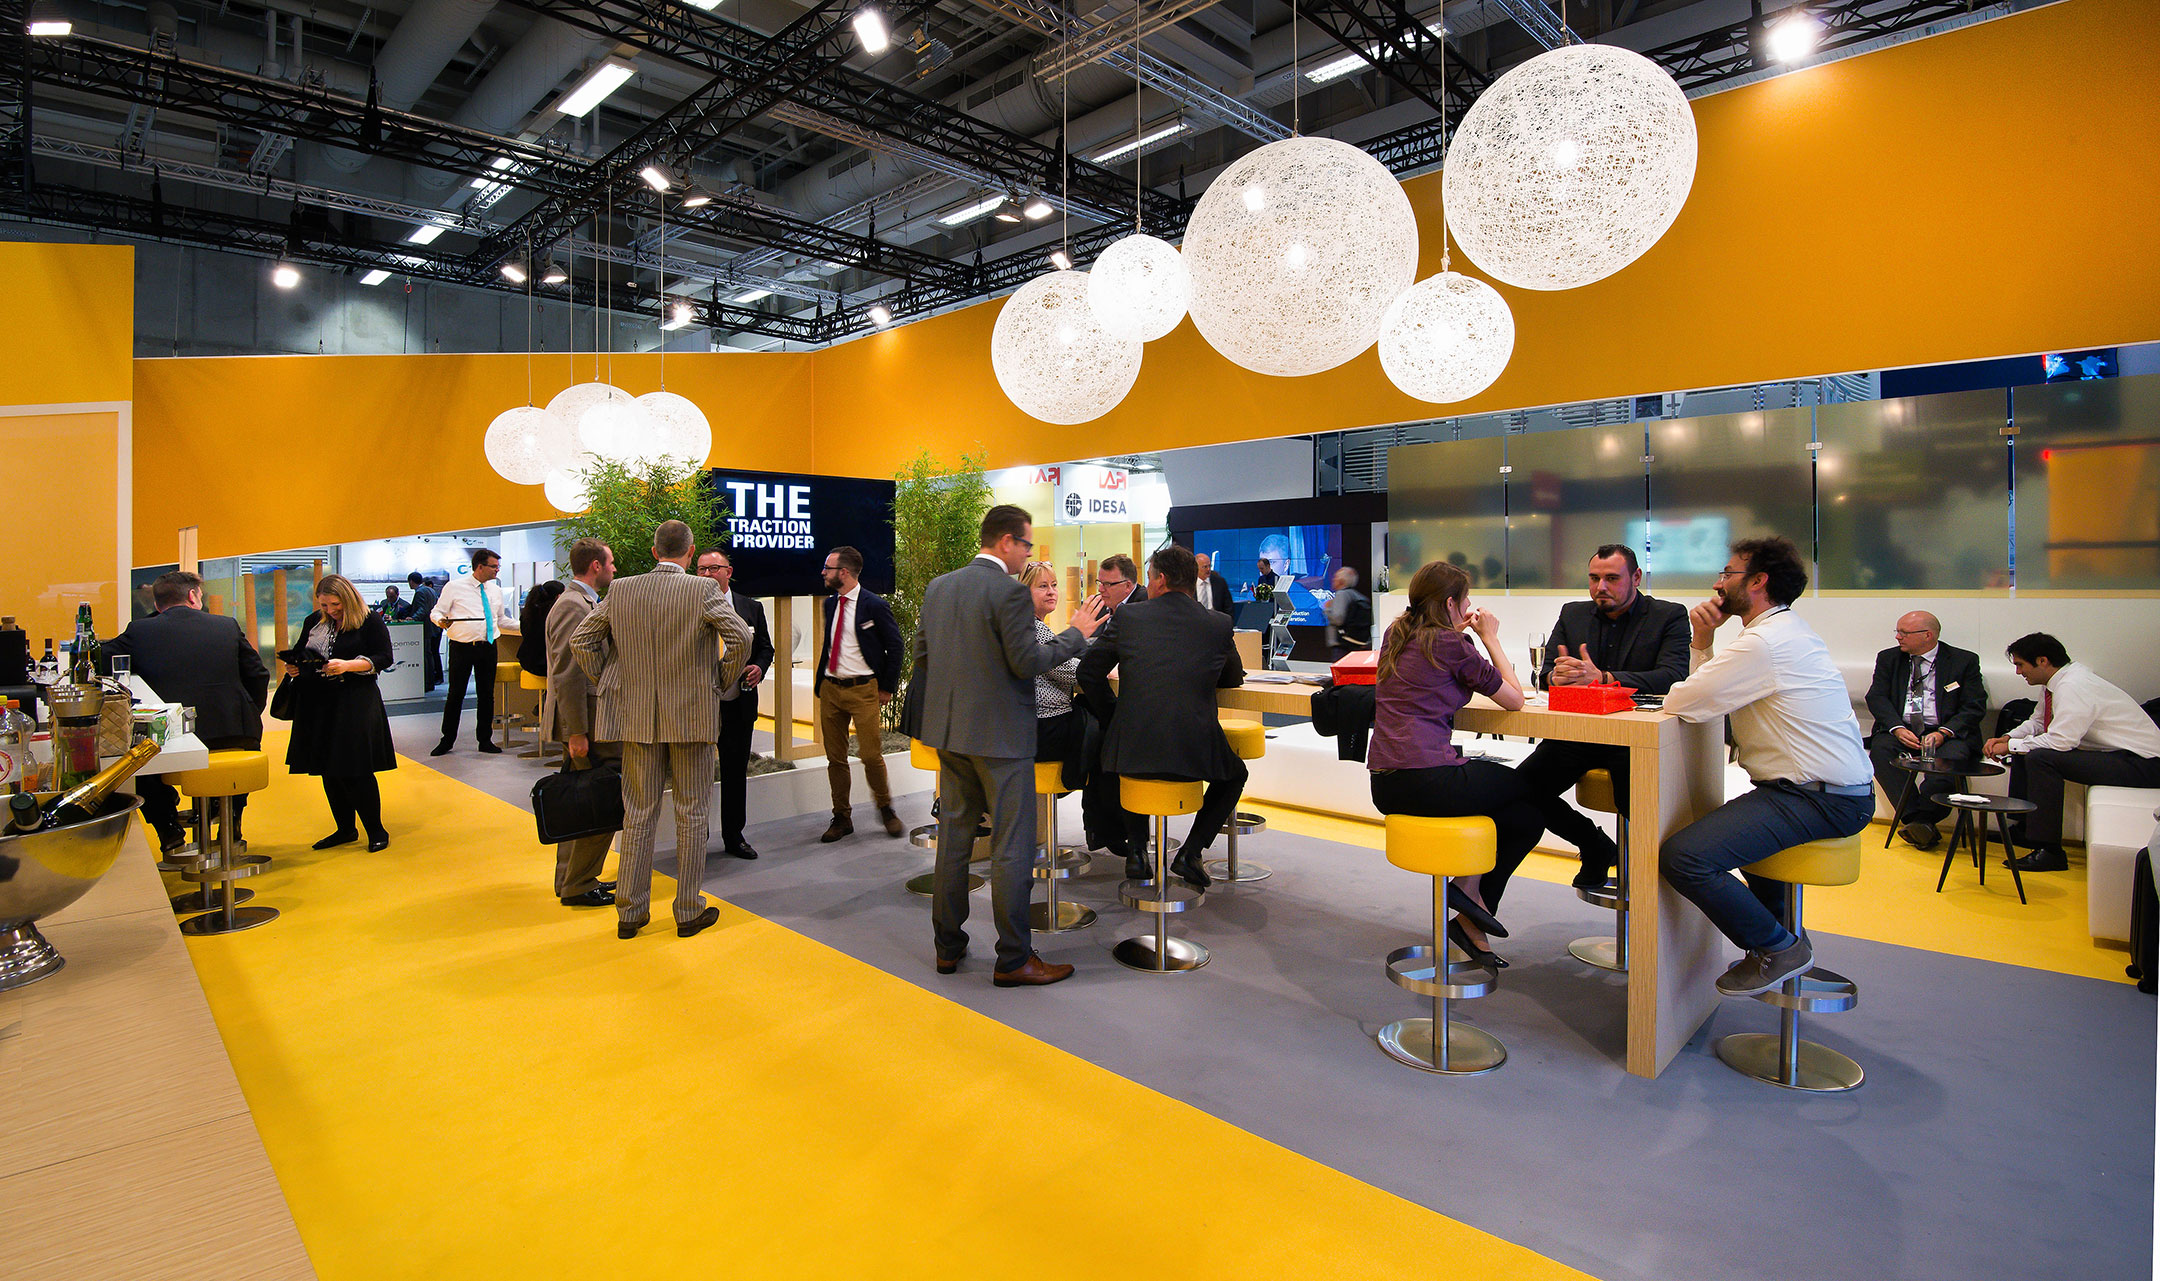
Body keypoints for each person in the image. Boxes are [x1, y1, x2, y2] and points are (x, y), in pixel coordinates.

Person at [1660, 537, 1873, 997]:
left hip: (1817, 798)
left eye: (1727, 574)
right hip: (1826, 792)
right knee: (1733, 837)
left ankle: (1778, 948)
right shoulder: (1785, 631)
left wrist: (1701, 641)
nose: (1718, 584)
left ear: (1758, 581)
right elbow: (1706, 700)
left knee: (1685, 857)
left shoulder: (1764, 643)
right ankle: (1786, 936)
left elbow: (1685, 701)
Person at [914, 506, 1103, 985]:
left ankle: (947, 949)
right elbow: (1028, 662)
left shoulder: (939, 588)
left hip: (951, 734)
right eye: (1025, 545)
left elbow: (924, 657)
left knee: (955, 842)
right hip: (1001, 738)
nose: (1027, 555)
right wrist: (1076, 634)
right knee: (1011, 847)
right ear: (1005, 542)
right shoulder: (1009, 592)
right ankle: (1015, 958)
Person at [571, 520, 751, 940]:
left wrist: (611, 682)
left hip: (636, 718)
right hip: (692, 718)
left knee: (637, 814)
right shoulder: (703, 589)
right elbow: (740, 638)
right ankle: (687, 910)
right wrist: (718, 682)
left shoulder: (621, 589)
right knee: (692, 812)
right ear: (690, 553)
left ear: (654, 552)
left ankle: (630, 913)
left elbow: (582, 641)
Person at [1364, 560, 1539, 969]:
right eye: (1465, 600)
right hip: (1428, 778)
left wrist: (1461, 634)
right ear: (1449, 603)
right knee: (1531, 789)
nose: (1469, 607)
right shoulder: (1453, 645)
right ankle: (1471, 897)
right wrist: (1489, 637)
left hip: (1386, 783)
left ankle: (1470, 916)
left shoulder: (1396, 633)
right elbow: (1515, 698)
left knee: (1524, 815)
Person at [1515, 544, 1690, 891]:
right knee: (1519, 790)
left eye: (1611, 578)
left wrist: (1605, 678)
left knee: (1637, 807)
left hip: (1635, 740)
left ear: (1636, 577)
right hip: (1579, 734)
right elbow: (1547, 672)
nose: (1601, 587)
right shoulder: (1573, 614)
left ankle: (1646, 890)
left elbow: (1673, 676)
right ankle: (1594, 845)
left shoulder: (1668, 615)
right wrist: (1557, 677)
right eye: (1594, 579)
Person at [1077, 544, 1245, 890]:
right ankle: (1191, 853)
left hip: (1131, 747)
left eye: (1150, 577)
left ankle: (1137, 851)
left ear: (1161, 579)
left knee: (1133, 765)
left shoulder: (1129, 617)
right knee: (1235, 774)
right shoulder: (1218, 623)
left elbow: (1088, 673)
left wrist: (1114, 715)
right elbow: (1232, 678)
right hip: (1195, 749)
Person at [102, 571, 268, 854]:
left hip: (169, 735)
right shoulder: (226, 626)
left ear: (157, 604)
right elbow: (258, 675)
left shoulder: (139, 631)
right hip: (230, 729)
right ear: (193, 596)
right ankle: (230, 818)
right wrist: (250, 709)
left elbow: (100, 658)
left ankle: (168, 829)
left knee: (140, 764)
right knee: (237, 754)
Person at [1985, 633, 2160, 872]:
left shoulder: (2074, 685)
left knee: (2041, 757)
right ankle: (2025, 829)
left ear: (2042, 661)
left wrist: (2011, 746)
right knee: (2028, 750)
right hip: (2120, 755)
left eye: (2020, 665)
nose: (2018, 672)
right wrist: (2008, 738)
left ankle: (2050, 852)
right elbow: (2038, 722)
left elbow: (2061, 741)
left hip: (2144, 763)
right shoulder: (2056, 682)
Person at [283, 574, 396, 852]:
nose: (331, 610)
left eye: (335, 605)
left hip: (355, 700)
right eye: (324, 605)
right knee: (327, 768)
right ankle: (345, 829)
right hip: (318, 701)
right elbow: (301, 651)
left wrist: (348, 665)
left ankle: (376, 829)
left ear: (348, 599)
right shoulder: (314, 621)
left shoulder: (369, 620)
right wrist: (294, 666)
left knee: (357, 767)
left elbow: (384, 657)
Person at [1863, 611, 1988, 851]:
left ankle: (1922, 822)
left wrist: (1944, 732)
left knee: (1951, 760)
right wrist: (1897, 728)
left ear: (1927, 635)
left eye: (1904, 632)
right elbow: (1877, 697)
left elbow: (1974, 706)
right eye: (1897, 631)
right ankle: (1918, 821)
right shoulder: (1889, 658)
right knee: (1881, 750)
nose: (1898, 637)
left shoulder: (1963, 661)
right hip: (1903, 730)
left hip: (1946, 733)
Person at [545, 539, 618, 908]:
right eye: (611, 563)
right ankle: (579, 882)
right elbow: (568, 671)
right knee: (600, 799)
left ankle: (572, 879)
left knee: (580, 800)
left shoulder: (581, 602)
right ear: (595, 566)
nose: (615, 569)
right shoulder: (573, 606)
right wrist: (576, 731)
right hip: (587, 724)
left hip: (586, 722)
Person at [814, 544, 903, 843]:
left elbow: (896, 646)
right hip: (831, 689)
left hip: (864, 690)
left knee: (870, 755)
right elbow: (830, 645)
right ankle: (842, 816)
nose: (823, 573)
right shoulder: (830, 604)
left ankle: (886, 808)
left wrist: (887, 687)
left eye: (827, 568)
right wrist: (822, 684)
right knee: (835, 758)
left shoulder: (874, 605)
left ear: (844, 572)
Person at [695, 548, 775, 861]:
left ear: (728, 572)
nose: (706, 574)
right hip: (699, 705)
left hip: (739, 703)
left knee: (734, 772)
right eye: (701, 569)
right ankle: (695, 837)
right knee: (697, 774)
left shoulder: (750, 607)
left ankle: (734, 836)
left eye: (713, 568)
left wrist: (759, 667)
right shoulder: (689, 606)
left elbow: (765, 648)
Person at [429, 548, 518, 756]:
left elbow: (501, 620)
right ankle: (447, 740)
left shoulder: (495, 590)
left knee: (486, 695)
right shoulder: (454, 587)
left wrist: (527, 627)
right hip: (462, 647)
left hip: (488, 646)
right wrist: (440, 621)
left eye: (498, 566)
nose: (497, 570)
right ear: (480, 567)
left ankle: (485, 740)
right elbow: (437, 611)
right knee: (456, 694)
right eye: (493, 566)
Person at [1018, 561, 1088, 785]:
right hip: (1045, 729)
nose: (1051, 592)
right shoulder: (1033, 628)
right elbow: (1072, 673)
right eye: (1042, 586)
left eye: (1054, 585)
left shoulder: (1025, 624)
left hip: (1031, 728)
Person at [517, 579, 565, 678]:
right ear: (558, 596)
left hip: (527, 662)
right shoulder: (554, 615)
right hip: (545, 666)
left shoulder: (528, 612)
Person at [1323, 566, 1372, 659]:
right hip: (1359, 643)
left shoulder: (1341, 594)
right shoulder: (1360, 597)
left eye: (1335, 577)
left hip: (1343, 645)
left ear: (1341, 581)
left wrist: (1327, 609)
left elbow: (1338, 619)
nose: (1333, 580)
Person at [403, 571, 441, 689]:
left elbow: (422, 609)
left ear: (411, 581)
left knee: (425, 655)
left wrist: (413, 618)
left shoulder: (420, 592)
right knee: (430, 654)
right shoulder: (430, 590)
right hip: (434, 626)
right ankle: (432, 680)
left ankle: (428, 682)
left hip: (425, 627)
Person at [1194, 553, 1234, 619]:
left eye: (1209, 566)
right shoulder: (1189, 583)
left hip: (1216, 621)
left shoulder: (1219, 582)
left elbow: (1228, 607)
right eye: (1205, 567)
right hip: (1196, 621)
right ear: (1196, 567)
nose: (1208, 569)